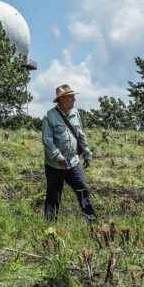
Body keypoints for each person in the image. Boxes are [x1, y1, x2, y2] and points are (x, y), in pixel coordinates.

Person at [41, 84, 96, 222]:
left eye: (73, 97)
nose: (74, 100)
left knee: (83, 189)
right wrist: (58, 156)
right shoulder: (49, 116)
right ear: (62, 99)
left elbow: (80, 134)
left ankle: (92, 222)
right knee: (53, 197)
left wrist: (87, 152)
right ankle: (49, 227)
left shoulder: (75, 113)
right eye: (71, 98)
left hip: (73, 162)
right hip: (55, 165)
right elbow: (47, 140)